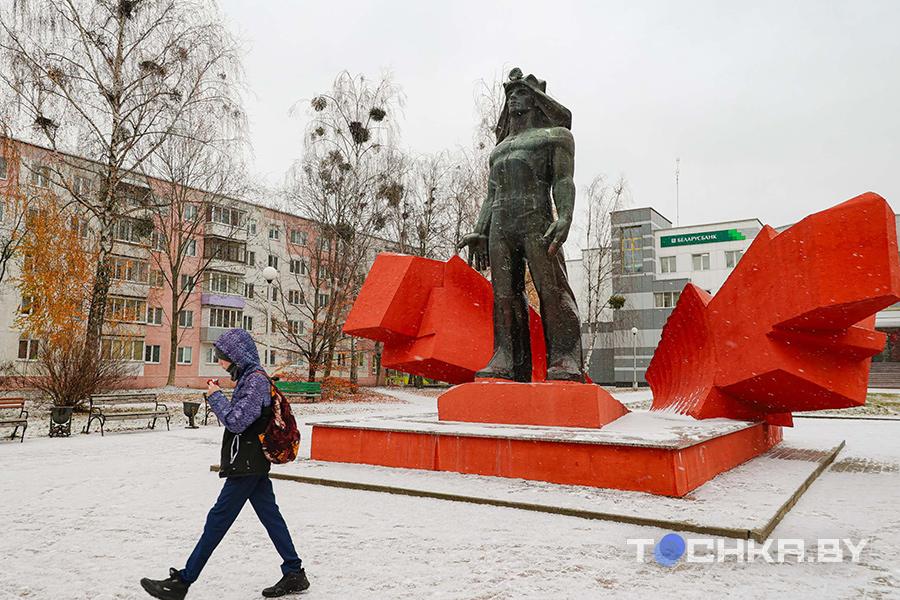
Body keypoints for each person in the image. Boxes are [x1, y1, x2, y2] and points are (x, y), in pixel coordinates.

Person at [140, 328, 310, 599]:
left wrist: (215, 396)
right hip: (250, 462)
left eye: (222, 357)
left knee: (218, 519)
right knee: (270, 516)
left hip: (247, 463)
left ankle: (182, 582)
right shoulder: (250, 378)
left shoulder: (255, 381)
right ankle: (294, 571)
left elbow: (237, 421)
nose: (219, 362)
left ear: (237, 357)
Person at [458, 67, 584, 382]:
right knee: (504, 294)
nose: (514, 98)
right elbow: (490, 194)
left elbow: (563, 180)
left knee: (551, 289)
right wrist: (480, 230)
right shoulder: (499, 150)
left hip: (536, 218)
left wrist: (565, 215)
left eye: (522, 93)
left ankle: (565, 358)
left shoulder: (555, 136)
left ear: (537, 99)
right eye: (511, 94)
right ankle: (508, 360)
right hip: (501, 223)